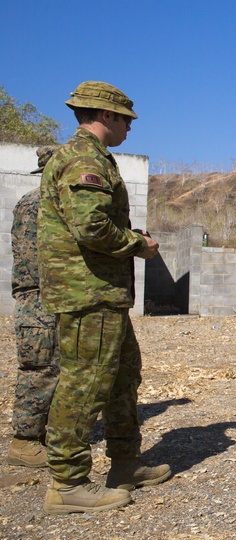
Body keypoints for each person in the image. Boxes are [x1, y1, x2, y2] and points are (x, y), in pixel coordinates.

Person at [38, 81, 170, 515]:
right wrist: (138, 245)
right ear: (106, 115)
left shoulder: (95, 158)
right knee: (85, 384)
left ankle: (125, 464)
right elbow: (91, 227)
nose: (130, 127)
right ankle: (67, 483)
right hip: (87, 293)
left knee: (121, 377)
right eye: (126, 119)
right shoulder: (82, 158)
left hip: (103, 294)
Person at [6, 146, 60, 468]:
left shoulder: (32, 200)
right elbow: (41, 258)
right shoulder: (41, 203)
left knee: (51, 369)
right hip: (40, 299)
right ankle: (24, 444)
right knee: (40, 372)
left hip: (41, 298)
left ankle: (42, 436)